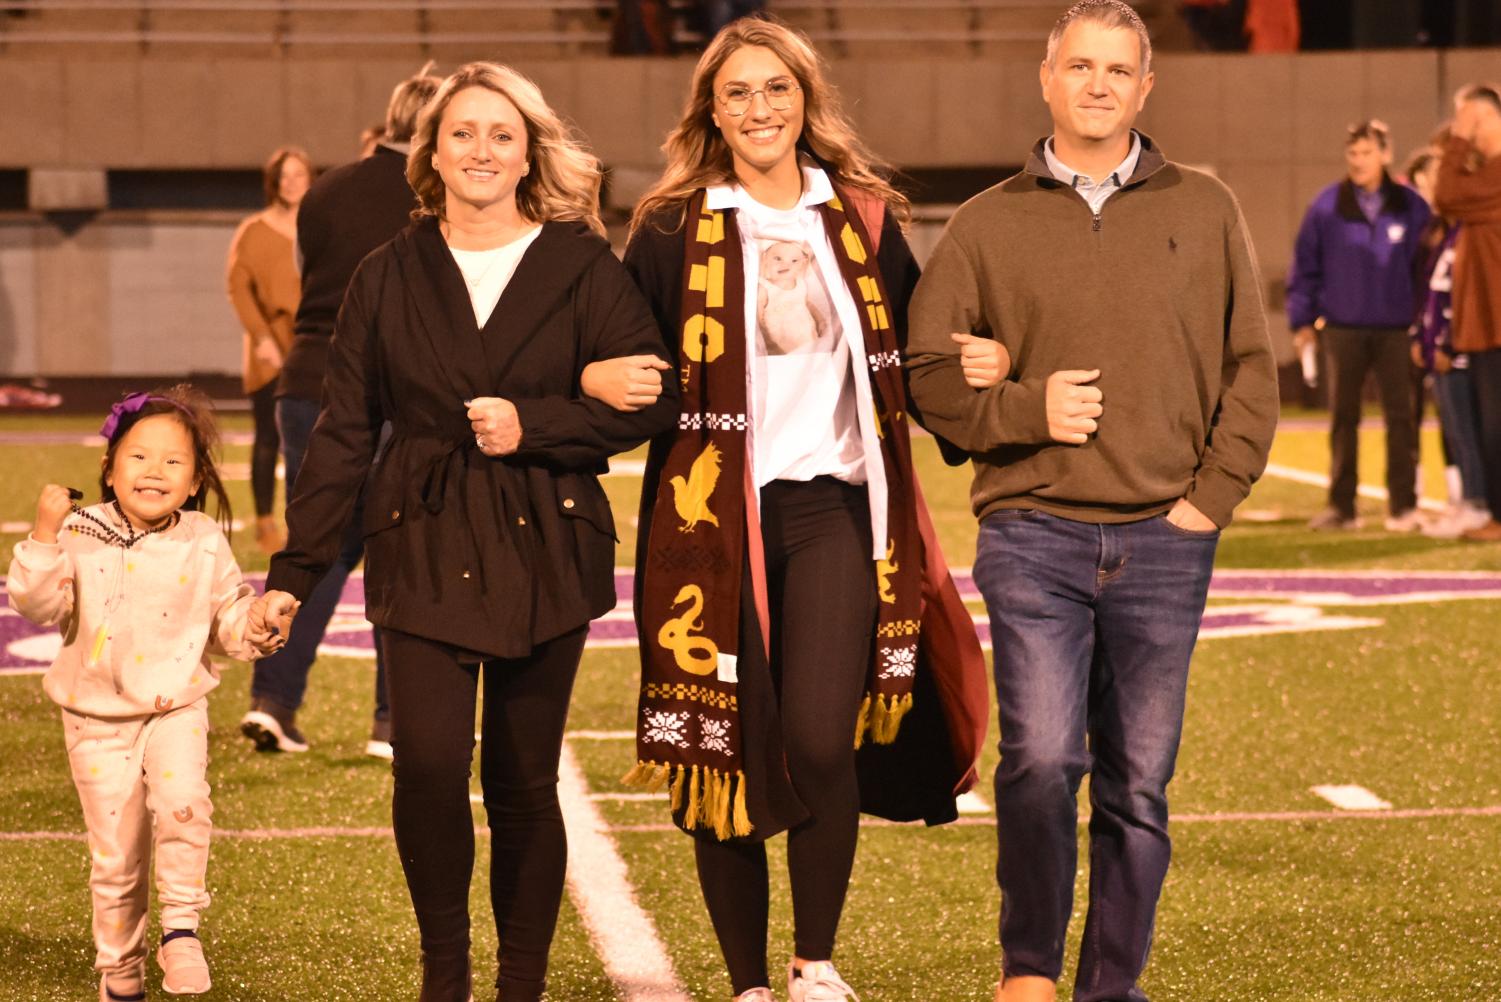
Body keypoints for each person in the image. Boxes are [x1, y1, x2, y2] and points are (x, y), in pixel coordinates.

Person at [252, 62, 678, 1002]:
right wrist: (292, 571)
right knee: (430, 770)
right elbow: (343, 434)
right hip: (423, 533)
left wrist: (545, 418)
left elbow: (657, 396)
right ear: (429, 154)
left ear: (529, 152)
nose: (481, 150)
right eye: (462, 134)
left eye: (501, 134)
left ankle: (518, 983)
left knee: (526, 781)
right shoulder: (388, 270)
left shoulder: (577, 262)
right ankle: (444, 972)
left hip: (547, 542)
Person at [904, 3, 1279, 1000]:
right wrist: (1024, 407)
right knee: (1035, 759)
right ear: (1046, 77)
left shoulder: (1205, 206)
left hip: (1167, 539)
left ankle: (1109, 986)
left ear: (1145, 87)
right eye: (1080, 65)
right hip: (1032, 534)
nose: (1099, 84)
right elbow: (929, 375)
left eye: (1118, 69)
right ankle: (1027, 967)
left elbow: (1251, 369)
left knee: (1138, 788)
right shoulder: (986, 221)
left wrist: (1208, 501)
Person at [615, 18, 988, 1002]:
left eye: (774, 88)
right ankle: (745, 984)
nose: (759, 109)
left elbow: (920, 353)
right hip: (708, 526)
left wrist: (980, 376)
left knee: (822, 739)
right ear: (711, 112)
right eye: (736, 93)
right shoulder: (668, 225)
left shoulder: (860, 219)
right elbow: (629, 357)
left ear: (804, 98)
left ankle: (813, 962)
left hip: (834, 511)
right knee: (724, 745)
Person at [6, 387, 279, 1002]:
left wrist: (256, 625)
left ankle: (181, 928)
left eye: (173, 461)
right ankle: (120, 976)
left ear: (195, 480)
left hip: (175, 706)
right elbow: (39, 604)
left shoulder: (204, 537)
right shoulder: (80, 529)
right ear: (109, 467)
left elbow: (227, 618)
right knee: (118, 862)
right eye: (138, 456)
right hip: (94, 721)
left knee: (185, 800)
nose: (154, 471)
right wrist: (45, 537)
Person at [239, 66, 439, 758]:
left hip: (305, 379)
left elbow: (305, 273)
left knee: (316, 544)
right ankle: (393, 720)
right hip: (386, 387)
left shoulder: (323, 188)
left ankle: (273, 700)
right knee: (401, 546)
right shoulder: (433, 193)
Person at [1287, 119, 1432, 532]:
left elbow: (1426, 271)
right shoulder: (1327, 206)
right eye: (1353, 153)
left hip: (1397, 330)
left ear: (1385, 154)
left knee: (1401, 419)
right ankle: (1341, 506)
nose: (1359, 161)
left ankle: (1403, 506)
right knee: (1343, 417)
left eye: (1367, 153)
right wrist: (1302, 322)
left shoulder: (1412, 205)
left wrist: (1423, 324)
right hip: (1343, 329)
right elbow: (1306, 268)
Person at [225, 146, 312, 555]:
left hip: (313, 347)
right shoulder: (254, 231)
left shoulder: (320, 224)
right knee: (269, 436)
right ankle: (264, 521)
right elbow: (238, 288)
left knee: (312, 438)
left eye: (299, 174)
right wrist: (261, 339)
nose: (292, 182)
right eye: (285, 176)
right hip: (269, 352)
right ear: (273, 182)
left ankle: (305, 519)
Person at [1408, 142, 1493, 538]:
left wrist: (1447, 346)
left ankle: (1477, 504)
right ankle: (1466, 502)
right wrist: (1419, 336)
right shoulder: (1442, 235)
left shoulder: (1467, 234)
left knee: (1467, 433)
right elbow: (1432, 294)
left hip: (1457, 356)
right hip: (1440, 352)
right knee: (1456, 433)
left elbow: (1462, 298)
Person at [1435, 83, 1501, 541]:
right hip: (1486, 322)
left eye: (1464, 120)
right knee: (1487, 422)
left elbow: (1446, 194)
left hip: (1497, 323)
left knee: (1494, 424)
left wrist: (1457, 141)